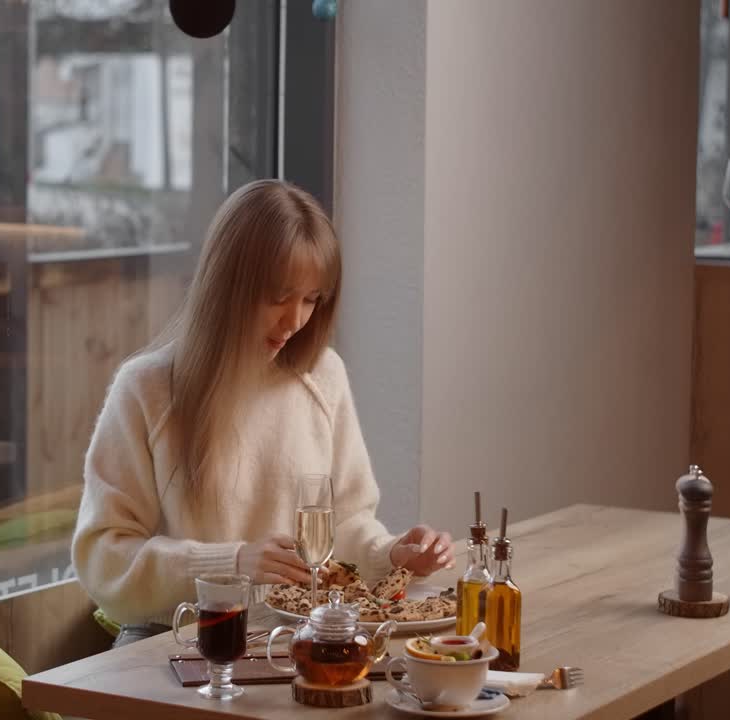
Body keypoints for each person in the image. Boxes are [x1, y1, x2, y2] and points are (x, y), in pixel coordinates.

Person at [72, 180, 454, 648]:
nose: (295, 321)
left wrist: (392, 554)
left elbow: (345, 527)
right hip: (171, 641)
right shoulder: (146, 390)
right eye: (279, 296)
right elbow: (104, 561)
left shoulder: (323, 377)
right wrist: (231, 563)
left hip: (289, 640)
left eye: (312, 299)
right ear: (228, 284)